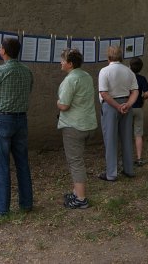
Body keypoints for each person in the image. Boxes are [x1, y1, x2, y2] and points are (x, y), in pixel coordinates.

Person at [0, 37, 34, 218]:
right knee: (22, 163)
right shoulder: (27, 71)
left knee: (1, 165)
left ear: (3, 50)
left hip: (3, 121)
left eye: (0, 47)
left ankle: (1, 208)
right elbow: (25, 93)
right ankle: (26, 203)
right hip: (21, 119)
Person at [56, 48, 97, 209]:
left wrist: (57, 103)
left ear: (70, 64)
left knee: (75, 161)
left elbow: (64, 105)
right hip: (88, 124)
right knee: (78, 159)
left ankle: (81, 199)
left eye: (63, 60)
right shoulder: (86, 76)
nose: (60, 62)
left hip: (74, 126)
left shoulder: (70, 80)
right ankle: (76, 191)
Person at [97, 46, 139, 181]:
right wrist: (128, 104)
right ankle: (129, 169)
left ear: (108, 57)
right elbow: (135, 91)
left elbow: (103, 92)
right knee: (127, 137)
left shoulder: (105, 71)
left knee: (110, 139)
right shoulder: (129, 71)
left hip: (111, 106)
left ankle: (111, 173)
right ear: (121, 56)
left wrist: (117, 106)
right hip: (126, 105)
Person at [129, 57, 148, 166]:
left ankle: (127, 157)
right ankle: (139, 158)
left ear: (129, 67)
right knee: (138, 134)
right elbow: (147, 93)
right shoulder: (142, 79)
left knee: (126, 134)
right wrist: (142, 98)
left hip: (127, 108)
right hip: (138, 109)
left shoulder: (127, 78)